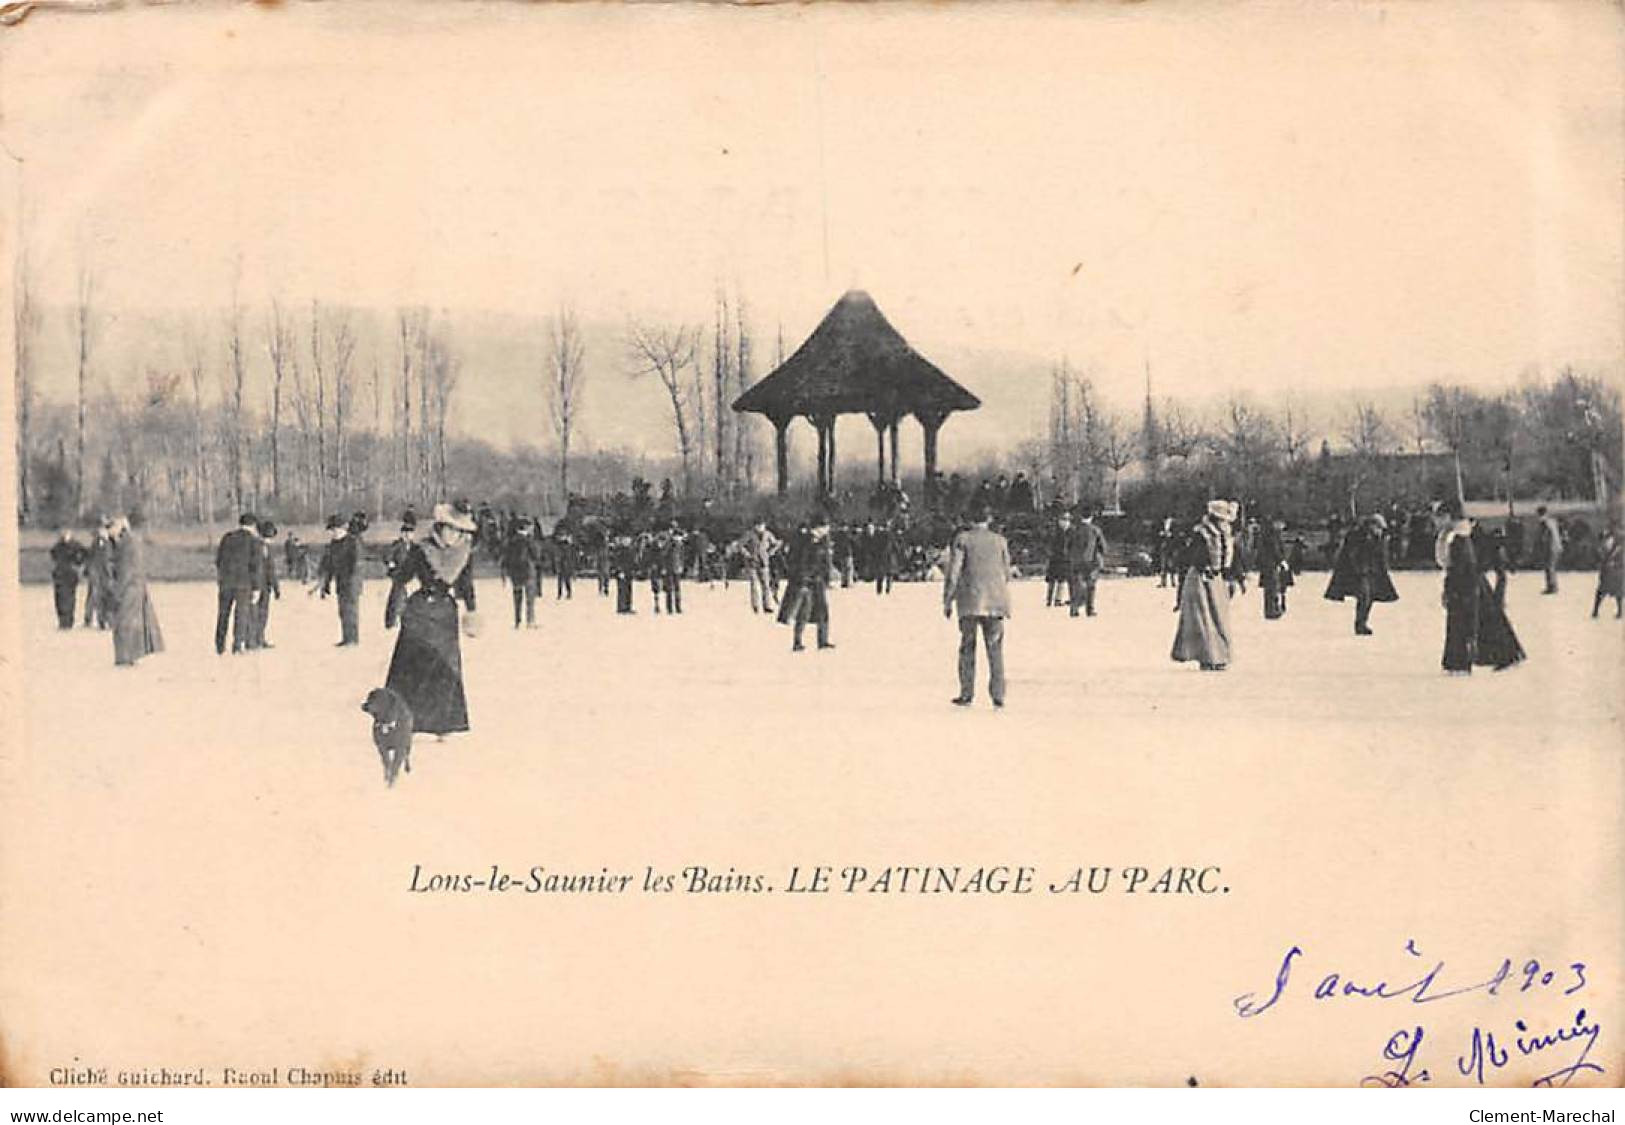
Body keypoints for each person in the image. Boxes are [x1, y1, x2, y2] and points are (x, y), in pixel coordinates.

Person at [384, 501, 478, 738]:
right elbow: (402, 578)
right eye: (450, 529)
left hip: (445, 615)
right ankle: (404, 720)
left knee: (444, 668)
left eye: (458, 531)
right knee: (411, 665)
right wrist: (394, 606)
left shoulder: (463, 552)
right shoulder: (421, 549)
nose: (453, 535)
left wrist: (472, 611)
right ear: (440, 528)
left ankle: (443, 724)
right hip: (419, 613)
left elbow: (466, 585)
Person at [943, 505, 1011, 709]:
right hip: (996, 602)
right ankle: (998, 694)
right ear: (989, 519)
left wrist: (948, 599)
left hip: (970, 601)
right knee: (995, 649)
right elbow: (1006, 572)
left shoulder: (962, 540)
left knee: (967, 647)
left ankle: (966, 693)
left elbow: (954, 572)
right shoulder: (1000, 541)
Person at [1171, 500, 1235, 671]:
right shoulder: (1202, 533)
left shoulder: (1224, 534)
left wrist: (1229, 575)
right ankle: (1207, 656)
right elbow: (1193, 555)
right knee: (1203, 618)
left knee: (1217, 617)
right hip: (1201, 578)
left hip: (1215, 579)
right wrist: (1206, 567)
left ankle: (1217, 655)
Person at [1323, 513, 1399, 636]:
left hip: (1371, 572)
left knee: (1368, 598)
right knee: (1364, 597)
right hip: (1358, 573)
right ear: (1372, 525)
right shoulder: (1357, 536)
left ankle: (1362, 622)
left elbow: (1379, 557)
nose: (1380, 531)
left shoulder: (1376, 538)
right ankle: (1360, 624)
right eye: (1378, 528)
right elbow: (1353, 555)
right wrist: (1360, 569)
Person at [1471, 522, 1526, 671]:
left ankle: (1501, 654)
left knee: (1491, 622)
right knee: (1493, 621)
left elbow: (1498, 571)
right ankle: (1500, 654)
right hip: (1485, 585)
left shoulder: (1478, 542)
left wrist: (1498, 597)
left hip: (1482, 586)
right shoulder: (1490, 543)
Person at [110, 515, 163, 667]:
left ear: (120, 527)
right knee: (129, 622)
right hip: (135, 586)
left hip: (130, 588)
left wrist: (117, 592)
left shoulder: (127, 544)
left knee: (124, 622)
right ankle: (128, 655)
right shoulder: (130, 541)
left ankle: (124, 657)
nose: (109, 532)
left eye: (111, 527)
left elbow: (126, 570)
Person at [214, 512, 263, 655]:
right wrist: (257, 587)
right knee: (241, 614)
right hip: (244, 583)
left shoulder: (227, 538)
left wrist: (222, 577)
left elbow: (218, 560)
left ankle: (220, 644)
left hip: (226, 582)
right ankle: (237, 644)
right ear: (253, 526)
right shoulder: (254, 541)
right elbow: (256, 566)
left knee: (223, 614)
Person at [786, 516, 835, 652]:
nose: (827, 529)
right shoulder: (804, 541)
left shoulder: (824, 542)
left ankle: (823, 640)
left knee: (823, 611)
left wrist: (827, 578)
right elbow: (798, 561)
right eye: (825, 527)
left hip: (818, 581)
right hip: (806, 581)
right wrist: (803, 577)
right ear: (817, 528)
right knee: (804, 612)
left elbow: (826, 562)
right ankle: (797, 641)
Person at [1438, 513, 1478, 674]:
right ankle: (1460, 661)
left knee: (1456, 627)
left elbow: (1453, 569)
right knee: (1463, 627)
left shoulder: (1457, 544)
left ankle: (1457, 662)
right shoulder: (1466, 543)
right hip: (1467, 592)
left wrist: (1449, 591)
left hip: (1460, 592)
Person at [318, 513, 363, 647]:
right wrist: (326, 584)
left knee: (351, 611)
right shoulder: (334, 544)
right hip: (341, 582)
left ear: (343, 528)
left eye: (334, 530)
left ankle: (352, 639)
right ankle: (346, 637)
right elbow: (330, 565)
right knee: (343, 611)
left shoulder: (353, 542)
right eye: (331, 530)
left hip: (351, 583)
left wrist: (350, 581)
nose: (332, 533)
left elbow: (356, 564)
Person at [1065, 507, 1107, 618]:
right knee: (1091, 586)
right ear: (1091, 517)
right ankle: (1090, 609)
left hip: (1075, 561)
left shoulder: (1073, 530)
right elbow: (1103, 547)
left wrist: (1070, 556)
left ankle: (1074, 609)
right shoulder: (1095, 530)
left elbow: (1067, 546)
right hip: (1090, 561)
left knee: (1075, 585)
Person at [501, 519, 543, 628]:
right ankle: (530, 620)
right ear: (525, 527)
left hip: (515, 572)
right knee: (530, 599)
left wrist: (505, 571)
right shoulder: (528, 540)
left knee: (517, 597)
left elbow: (505, 556)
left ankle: (517, 620)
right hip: (528, 571)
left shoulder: (511, 541)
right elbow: (536, 555)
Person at [736, 518, 781, 615]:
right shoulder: (749, 534)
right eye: (758, 525)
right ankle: (755, 605)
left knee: (766, 585)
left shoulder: (768, 534)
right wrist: (747, 554)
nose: (760, 527)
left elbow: (776, 544)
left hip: (764, 562)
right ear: (755, 526)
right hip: (752, 562)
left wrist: (770, 552)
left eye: (762, 525)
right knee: (754, 585)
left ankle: (767, 605)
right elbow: (740, 545)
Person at [1255, 517, 1293, 620]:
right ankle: (1273, 610)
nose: (1283, 527)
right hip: (1272, 565)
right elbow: (1276, 549)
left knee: (1270, 588)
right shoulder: (1274, 535)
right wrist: (1282, 560)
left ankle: (1270, 610)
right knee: (1273, 587)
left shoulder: (1268, 533)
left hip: (1267, 565)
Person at [383, 515, 416, 629]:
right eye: (405, 533)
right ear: (401, 534)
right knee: (397, 597)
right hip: (399, 575)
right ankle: (392, 621)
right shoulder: (397, 545)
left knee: (410, 598)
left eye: (410, 533)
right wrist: (391, 564)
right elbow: (387, 556)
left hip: (411, 575)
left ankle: (407, 619)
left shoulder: (415, 547)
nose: (407, 535)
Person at [49, 531, 87, 630]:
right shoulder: (58, 546)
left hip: (70, 575)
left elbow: (84, 554)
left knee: (69, 598)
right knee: (59, 598)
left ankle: (68, 620)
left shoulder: (75, 545)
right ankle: (62, 620)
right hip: (60, 575)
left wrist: (77, 564)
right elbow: (53, 554)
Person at [253, 520, 282, 648]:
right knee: (262, 613)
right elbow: (271, 570)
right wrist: (276, 588)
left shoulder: (254, 545)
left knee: (254, 613)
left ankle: (255, 639)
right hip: (263, 586)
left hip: (253, 584)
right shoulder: (265, 548)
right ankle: (258, 638)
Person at [82, 521, 116, 629]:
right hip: (98, 573)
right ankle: (97, 619)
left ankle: (102, 619)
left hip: (101, 573)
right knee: (96, 596)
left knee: (99, 596)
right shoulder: (100, 542)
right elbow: (96, 558)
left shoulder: (107, 542)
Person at [1593, 524, 1623, 619]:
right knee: (1605, 591)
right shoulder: (1605, 546)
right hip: (1609, 571)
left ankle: (1619, 612)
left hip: (1615, 571)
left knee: (1616, 592)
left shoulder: (1617, 546)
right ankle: (1596, 611)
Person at [1045, 514, 1071, 608]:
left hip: (1063, 559)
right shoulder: (1054, 532)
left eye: (1067, 520)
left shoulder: (1070, 532)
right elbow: (1049, 545)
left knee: (1061, 580)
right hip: (1055, 559)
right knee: (1052, 580)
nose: (1065, 522)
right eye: (1064, 519)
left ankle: (1057, 599)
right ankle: (1049, 599)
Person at [1535, 506, 1562, 594]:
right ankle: (1554, 586)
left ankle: (1551, 587)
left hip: (1550, 547)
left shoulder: (1544, 522)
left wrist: (1540, 546)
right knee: (1552, 567)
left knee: (1549, 567)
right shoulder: (1552, 521)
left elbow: (1544, 536)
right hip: (1557, 546)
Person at [552, 524, 575, 599]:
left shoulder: (561, 545)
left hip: (563, 562)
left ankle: (562, 593)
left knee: (562, 579)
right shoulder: (566, 545)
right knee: (564, 579)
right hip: (564, 562)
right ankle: (565, 593)